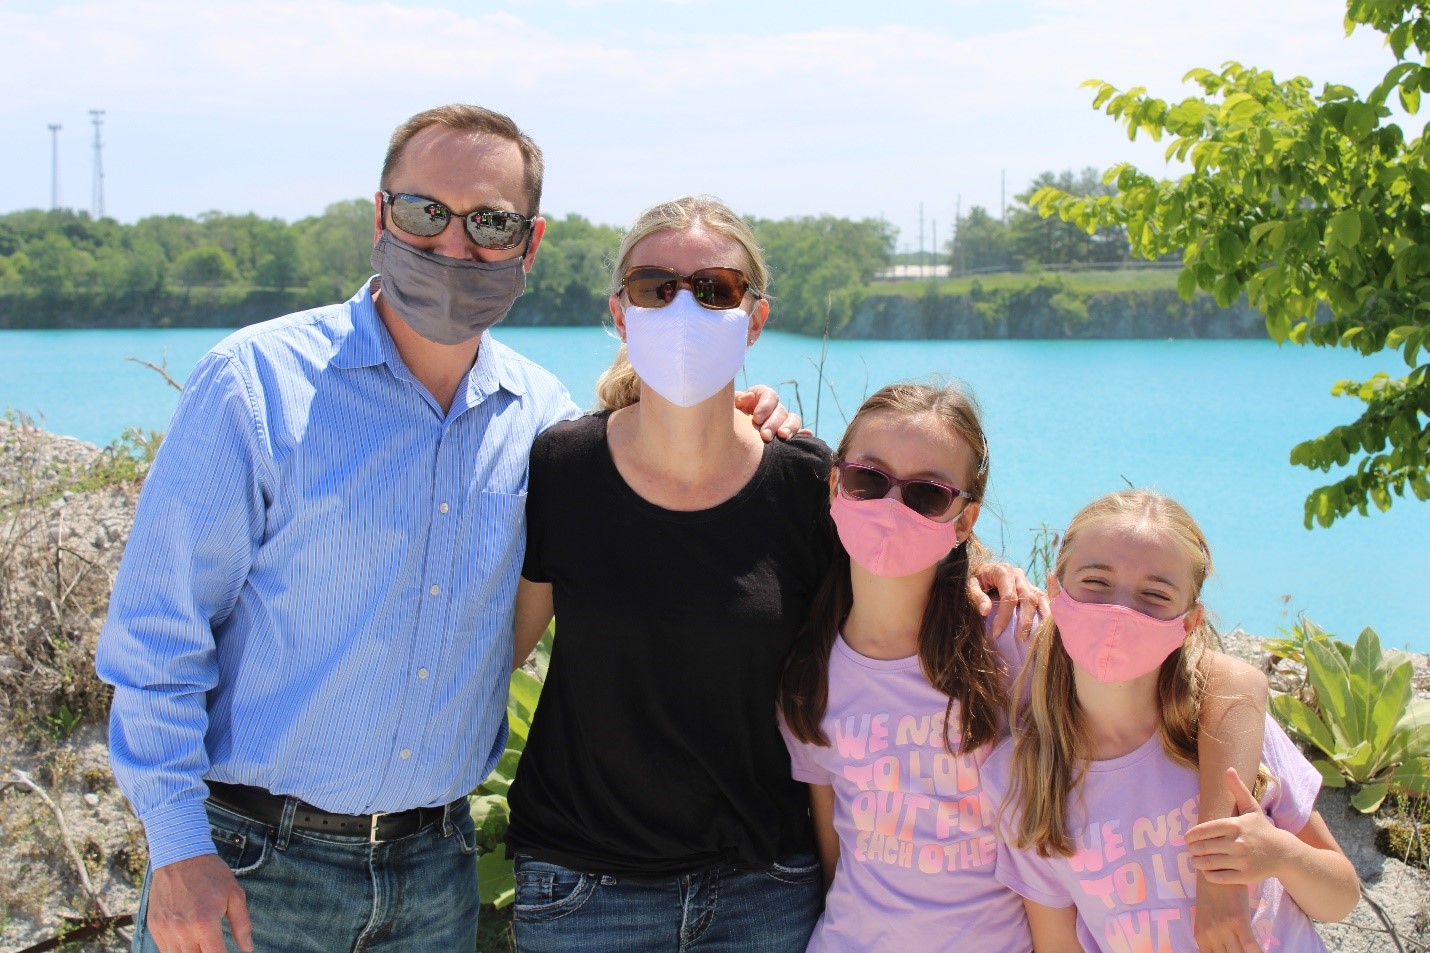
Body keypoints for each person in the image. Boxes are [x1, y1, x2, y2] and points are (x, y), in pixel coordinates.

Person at [95, 106, 797, 953]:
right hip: (252, 864)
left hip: (434, 874)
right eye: (427, 211)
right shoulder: (254, 385)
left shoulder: (540, 421)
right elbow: (155, 637)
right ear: (380, 215)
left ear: (528, 245)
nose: (454, 244)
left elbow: (650, 456)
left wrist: (749, 418)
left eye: (491, 222)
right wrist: (176, 848)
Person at [504, 197, 1039, 953]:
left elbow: (898, 550)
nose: (684, 305)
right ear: (621, 313)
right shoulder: (562, 466)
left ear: (755, 319)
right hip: (587, 886)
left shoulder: (806, 480)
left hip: (766, 887)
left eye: (715, 287)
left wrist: (988, 573)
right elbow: (493, 654)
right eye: (657, 286)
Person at [778, 388, 1278, 953]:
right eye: (869, 479)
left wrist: (1219, 869)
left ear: (964, 519)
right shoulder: (808, 670)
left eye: (927, 494)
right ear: (835, 484)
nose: (893, 506)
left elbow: (1231, 681)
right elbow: (834, 855)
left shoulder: (1010, 636)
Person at [984, 490, 1359, 953]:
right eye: (1096, 581)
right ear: (1056, 591)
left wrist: (1282, 855)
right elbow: (1058, 942)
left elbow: (1341, 898)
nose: (1121, 609)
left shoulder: (1227, 728)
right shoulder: (1022, 777)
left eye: (1155, 595)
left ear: (1189, 621)